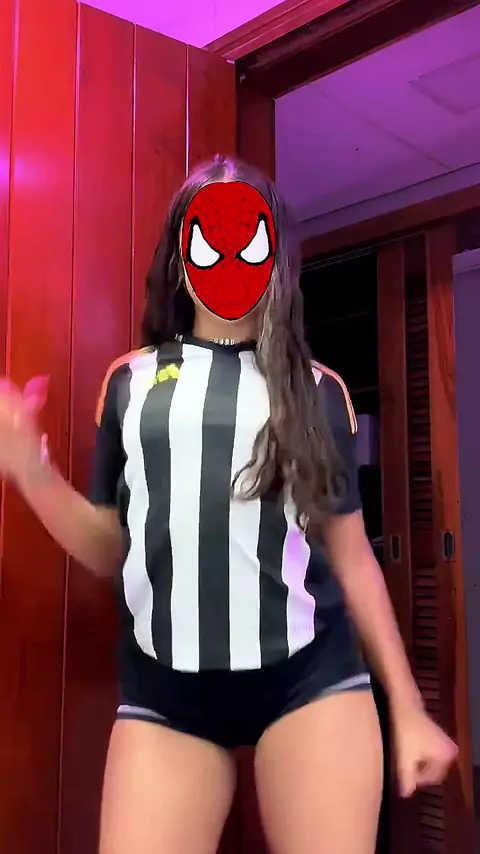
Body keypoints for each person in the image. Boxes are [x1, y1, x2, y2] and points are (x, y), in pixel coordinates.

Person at [0, 155, 457, 854]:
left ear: (274, 259)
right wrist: (31, 473)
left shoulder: (318, 390)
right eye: (209, 242)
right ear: (181, 260)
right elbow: (112, 546)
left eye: (249, 241)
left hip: (311, 681)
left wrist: (410, 707)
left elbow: (351, 555)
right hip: (166, 695)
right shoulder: (130, 384)